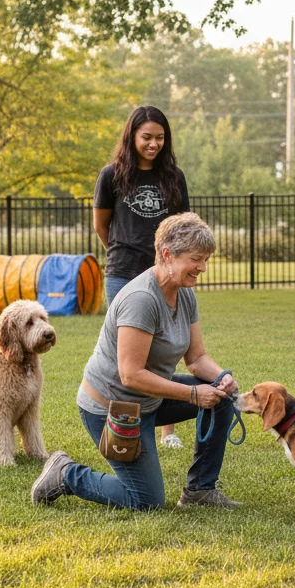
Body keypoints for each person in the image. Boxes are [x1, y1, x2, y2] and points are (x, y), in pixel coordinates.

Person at [31, 212, 242, 510]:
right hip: (113, 407)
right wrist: (194, 393)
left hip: (148, 400)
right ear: (168, 254)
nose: (202, 268)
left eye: (205, 259)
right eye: (196, 259)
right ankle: (65, 474)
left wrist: (221, 378)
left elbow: (196, 359)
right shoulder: (141, 299)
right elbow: (130, 375)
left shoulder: (185, 294)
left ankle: (200, 490)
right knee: (146, 501)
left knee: (220, 397)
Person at [94, 105, 190, 449]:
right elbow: (101, 225)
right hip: (122, 274)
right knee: (129, 357)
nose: (153, 144)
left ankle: (168, 431)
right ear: (132, 136)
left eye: (160, 138)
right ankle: (124, 425)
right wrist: (123, 250)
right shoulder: (111, 175)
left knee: (166, 346)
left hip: (166, 275)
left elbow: (183, 228)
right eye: (146, 137)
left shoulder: (174, 177)